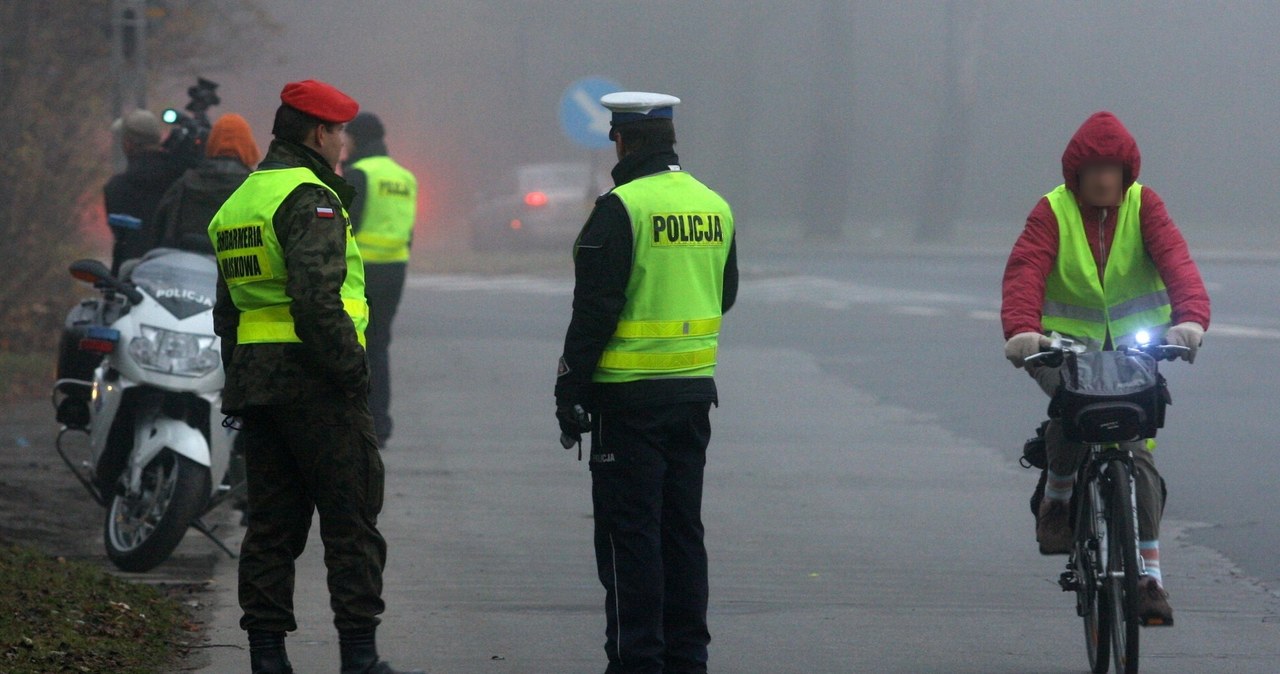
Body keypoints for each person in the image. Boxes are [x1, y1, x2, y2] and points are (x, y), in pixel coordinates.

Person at [208, 79, 422, 674]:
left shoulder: (241, 201)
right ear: (319, 132)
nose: (345, 143)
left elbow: (226, 309)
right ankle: (360, 657)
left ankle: (267, 657)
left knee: (271, 529)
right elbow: (316, 298)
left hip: (260, 387)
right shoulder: (312, 197)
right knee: (351, 521)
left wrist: (238, 382)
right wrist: (353, 373)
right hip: (318, 384)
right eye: (340, 131)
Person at [1001, 111, 1210, 625]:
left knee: (1135, 452)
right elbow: (1027, 268)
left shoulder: (1145, 207)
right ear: (1076, 173)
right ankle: (1057, 497)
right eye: (1092, 168)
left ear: (1126, 172)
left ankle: (1149, 579)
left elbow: (1177, 262)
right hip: (1060, 346)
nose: (1102, 177)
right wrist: (1022, 331)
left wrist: (1190, 320)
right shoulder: (1053, 211)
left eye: (1112, 168)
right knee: (1074, 410)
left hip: (1135, 351)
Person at [555, 91, 738, 674]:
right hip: (692, 394)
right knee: (683, 533)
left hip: (627, 401)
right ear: (671, 139)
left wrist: (569, 388)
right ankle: (688, 660)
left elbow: (594, 311)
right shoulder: (715, 204)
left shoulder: (620, 209)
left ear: (621, 139)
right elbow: (725, 293)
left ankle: (638, 662)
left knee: (629, 538)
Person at [342, 112, 418, 447]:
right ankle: (380, 422)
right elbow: (409, 230)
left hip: (363, 271)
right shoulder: (405, 177)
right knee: (379, 345)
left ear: (357, 139)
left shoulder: (360, 174)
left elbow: (348, 225)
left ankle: (357, 420)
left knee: (353, 344)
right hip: (396, 268)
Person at [153, 113, 261, 254]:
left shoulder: (184, 183)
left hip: (186, 264)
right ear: (249, 147)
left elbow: (159, 229)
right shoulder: (256, 191)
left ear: (211, 143)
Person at [103, 109, 187, 274]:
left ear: (127, 144)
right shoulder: (182, 181)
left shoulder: (115, 188)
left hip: (131, 278)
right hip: (177, 276)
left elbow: (120, 234)